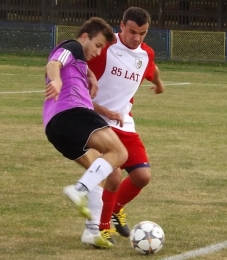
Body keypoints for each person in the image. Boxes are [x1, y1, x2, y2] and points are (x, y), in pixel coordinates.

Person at [81, 7, 165, 245]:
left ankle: (115, 209)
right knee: (114, 174)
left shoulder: (146, 53)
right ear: (121, 26)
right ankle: (103, 227)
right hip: (95, 122)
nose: (136, 38)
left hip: (123, 123)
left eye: (142, 33)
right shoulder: (105, 46)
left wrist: (159, 83)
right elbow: (79, 57)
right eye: (132, 32)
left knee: (142, 176)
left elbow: (152, 68)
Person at [42, 17, 128, 248]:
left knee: (98, 171)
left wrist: (89, 75)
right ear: (84, 37)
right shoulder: (72, 46)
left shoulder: (78, 60)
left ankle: (91, 232)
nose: (99, 52)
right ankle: (78, 190)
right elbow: (53, 64)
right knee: (119, 153)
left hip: (54, 127)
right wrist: (57, 81)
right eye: (98, 45)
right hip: (71, 113)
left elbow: (71, 64)